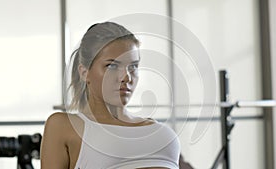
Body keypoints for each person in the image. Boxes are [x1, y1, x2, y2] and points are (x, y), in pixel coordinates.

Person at [40, 22, 181, 169]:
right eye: (112, 66)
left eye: (133, 66)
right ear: (84, 72)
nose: (126, 77)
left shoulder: (162, 134)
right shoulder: (64, 126)